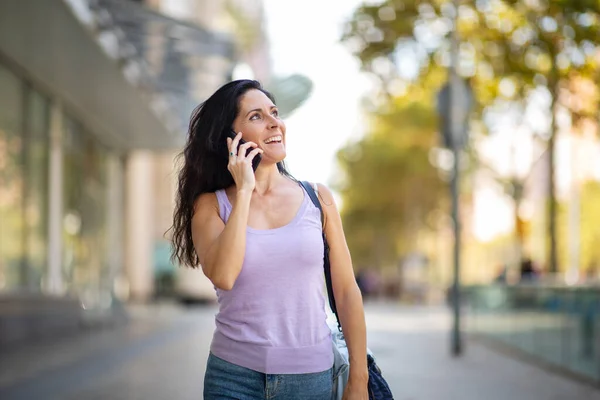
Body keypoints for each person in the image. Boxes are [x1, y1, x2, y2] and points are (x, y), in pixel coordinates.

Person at [170, 80, 369, 399]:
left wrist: (358, 379)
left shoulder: (318, 199)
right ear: (231, 138)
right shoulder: (211, 205)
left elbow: (346, 290)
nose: (275, 122)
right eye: (256, 116)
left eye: (274, 112)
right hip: (233, 378)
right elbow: (223, 274)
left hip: (310, 378)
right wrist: (245, 190)